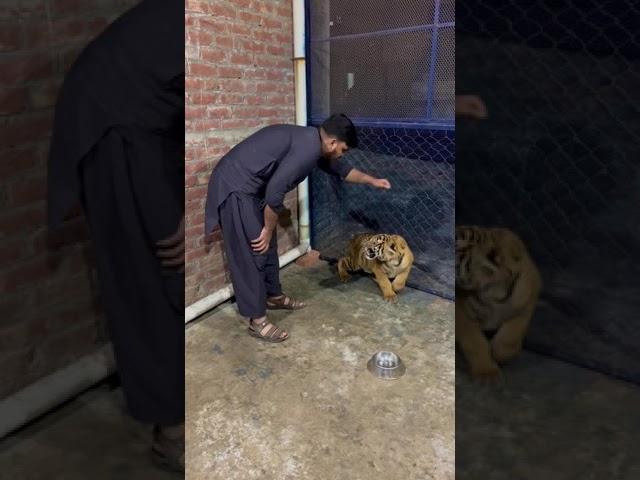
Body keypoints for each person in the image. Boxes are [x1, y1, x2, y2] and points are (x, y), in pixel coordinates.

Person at [47, 0, 185, 472]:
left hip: (147, 119)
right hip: (116, 123)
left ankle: (175, 408)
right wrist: (196, 205)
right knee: (153, 272)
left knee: (172, 266)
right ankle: (171, 432)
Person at [205, 114, 391, 342]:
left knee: (266, 244)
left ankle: (273, 296)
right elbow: (274, 193)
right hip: (235, 186)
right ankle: (257, 321)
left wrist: (373, 181)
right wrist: (267, 229)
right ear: (332, 142)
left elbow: (343, 170)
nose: (341, 154)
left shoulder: (316, 142)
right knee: (253, 250)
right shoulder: (308, 151)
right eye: (343, 149)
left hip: (253, 190)